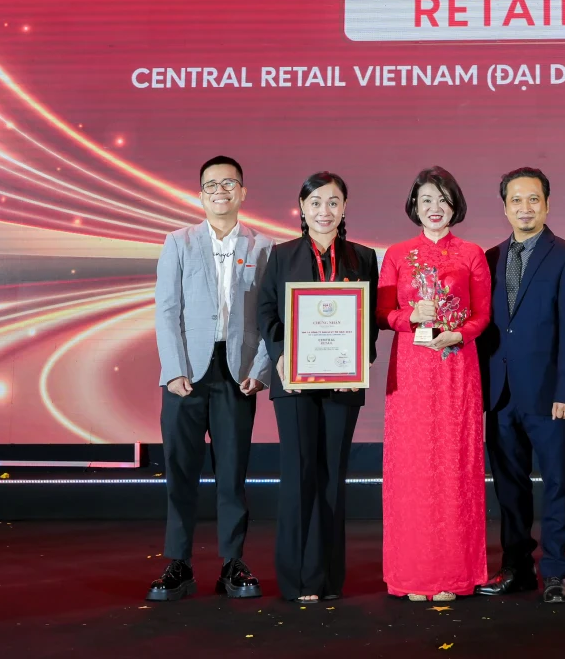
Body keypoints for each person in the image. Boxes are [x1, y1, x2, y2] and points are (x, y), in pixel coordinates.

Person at [148, 155, 274, 602]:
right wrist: (174, 369)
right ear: (200, 194)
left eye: (229, 184)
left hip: (237, 373)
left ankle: (232, 563)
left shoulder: (263, 246)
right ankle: (178, 564)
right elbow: (167, 310)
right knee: (180, 470)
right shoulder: (179, 242)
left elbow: (270, 315)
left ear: (243, 192)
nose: (220, 191)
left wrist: (260, 370)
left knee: (232, 472)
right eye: (211, 185)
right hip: (186, 373)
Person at [257, 171, 379, 602]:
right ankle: (297, 580)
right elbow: (266, 312)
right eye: (315, 203)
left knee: (332, 477)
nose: (324, 211)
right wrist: (282, 355)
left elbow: (369, 320)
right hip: (293, 382)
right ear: (302, 208)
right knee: (299, 474)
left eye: (333, 202)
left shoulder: (363, 257)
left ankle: (327, 578)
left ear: (344, 208)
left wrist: (359, 360)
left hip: (343, 384)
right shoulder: (280, 255)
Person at [377, 167, 492, 601]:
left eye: (443, 199)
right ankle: (414, 574)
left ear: (455, 204)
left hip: (456, 367)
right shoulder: (397, 254)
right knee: (412, 468)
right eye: (426, 199)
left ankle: (454, 574)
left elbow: (482, 314)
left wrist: (459, 334)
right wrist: (410, 317)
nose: (435, 207)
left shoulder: (472, 253)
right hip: (411, 371)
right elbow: (383, 313)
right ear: (414, 206)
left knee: (456, 466)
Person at [477, 167, 565, 604]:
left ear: (546, 204)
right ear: (505, 207)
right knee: (509, 486)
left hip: (549, 394)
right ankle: (517, 567)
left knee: (558, 483)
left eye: (533, 199)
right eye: (516, 200)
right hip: (500, 394)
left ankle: (556, 571)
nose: (524, 208)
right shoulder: (489, 258)